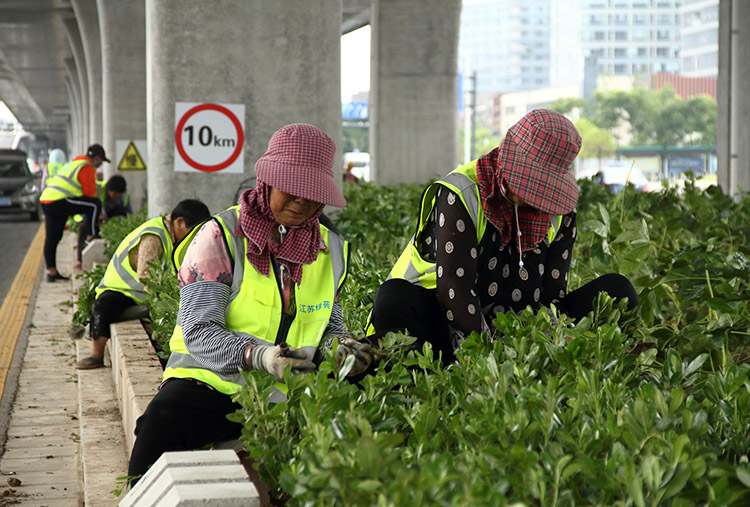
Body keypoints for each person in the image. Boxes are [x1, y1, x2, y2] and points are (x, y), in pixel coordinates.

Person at [126, 123, 371, 485]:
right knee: (163, 421)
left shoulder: (329, 247)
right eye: (291, 187)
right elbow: (198, 332)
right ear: (267, 182)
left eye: (313, 191)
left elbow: (327, 321)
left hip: (293, 388)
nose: (302, 199)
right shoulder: (219, 236)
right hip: (215, 384)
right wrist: (262, 356)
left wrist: (342, 347)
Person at [369, 109, 638, 364]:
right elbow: (455, 290)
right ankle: (425, 371)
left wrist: (542, 346)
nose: (533, 197)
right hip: (446, 323)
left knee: (617, 291)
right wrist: (489, 362)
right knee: (394, 297)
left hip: (520, 327)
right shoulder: (460, 193)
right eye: (529, 184)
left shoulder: (561, 211)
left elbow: (552, 297)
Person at [76, 199, 211, 369]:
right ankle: (96, 355)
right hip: (120, 290)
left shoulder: (176, 239)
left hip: (141, 297)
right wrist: (162, 305)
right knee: (103, 306)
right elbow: (146, 276)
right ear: (179, 222)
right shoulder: (154, 236)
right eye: (193, 232)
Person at [39, 144, 108, 282]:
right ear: (97, 158)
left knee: (53, 237)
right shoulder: (87, 166)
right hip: (59, 200)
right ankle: (93, 235)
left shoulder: (74, 163)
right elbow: (89, 193)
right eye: (101, 161)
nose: (100, 164)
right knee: (95, 204)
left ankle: (51, 272)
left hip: (47, 199)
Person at [75, 174, 134, 270]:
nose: (115, 196)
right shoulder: (98, 190)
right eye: (113, 193)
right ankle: (80, 260)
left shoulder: (124, 197)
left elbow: (129, 213)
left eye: (118, 194)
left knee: (121, 211)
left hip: (106, 215)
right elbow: (87, 210)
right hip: (88, 216)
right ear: (108, 190)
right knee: (85, 228)